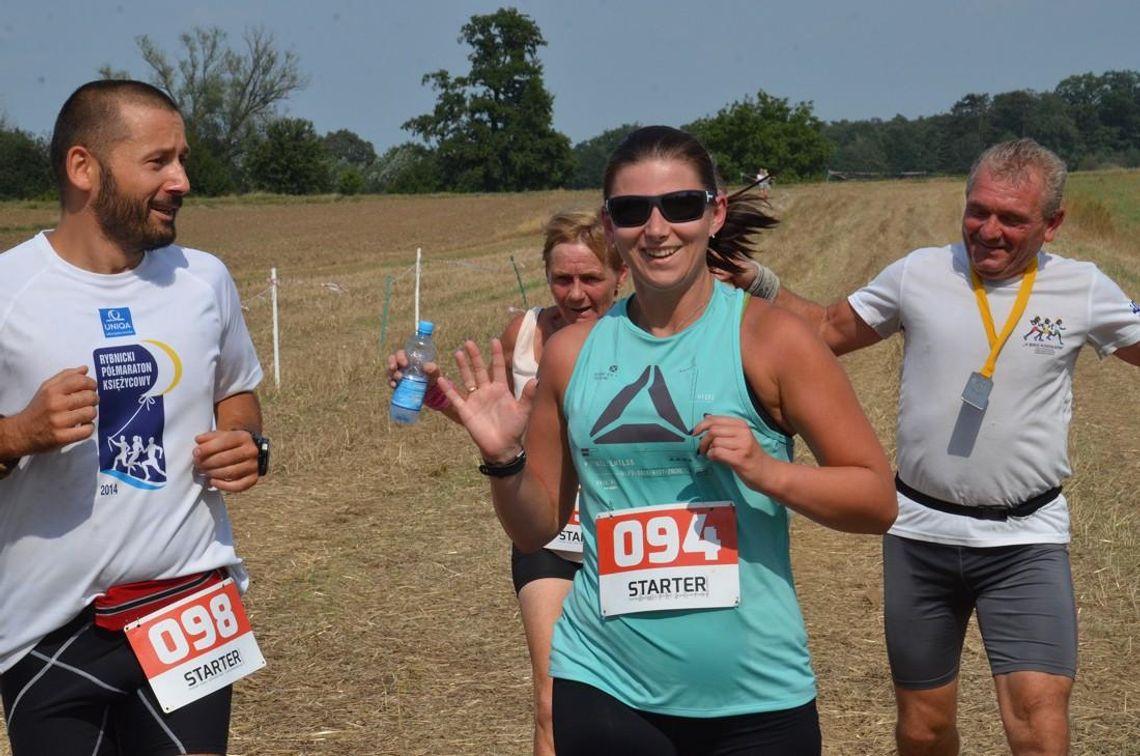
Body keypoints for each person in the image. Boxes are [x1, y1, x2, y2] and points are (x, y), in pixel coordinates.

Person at [437, 125, 897, 755]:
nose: (656, 229)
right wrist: (503, 460)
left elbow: (877, 500)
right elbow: (534, 527)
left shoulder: (774, 341)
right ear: (611, 225)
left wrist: (768, 471)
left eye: (679, 206)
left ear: (716, 212)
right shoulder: (571, 355)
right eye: (632, 211)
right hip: (601, 683)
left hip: (755, 697)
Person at [734, 138, 1140, 755]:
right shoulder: (920, 272)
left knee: (1039, 724)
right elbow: (825, 331)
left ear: (1052, 224)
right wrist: (758, 282)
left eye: (1013, 219)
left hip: (1024, 539)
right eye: (978, 210)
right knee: (924, 728)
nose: (989, 230)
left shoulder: (1083, 290)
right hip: (920, 533)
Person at [0, 80, 268, 756]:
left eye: (182, 159)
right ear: (83, 167)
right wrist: (18, 434)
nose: (182, 179)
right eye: (158, 161)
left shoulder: (204, 279)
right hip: (46, 629)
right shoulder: (9, 291)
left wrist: (246, 440)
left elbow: (236, 391)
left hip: (189, 605)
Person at [388, 210, 628, 756]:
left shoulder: (640, 336)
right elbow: (497, 429)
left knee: (629, 705)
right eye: (561, 279)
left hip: (628, 540)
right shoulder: (522, 334)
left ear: (622, 275)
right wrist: (435, 397)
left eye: (591, 279)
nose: (575, 293)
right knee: (551, 701)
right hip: (548, 538)